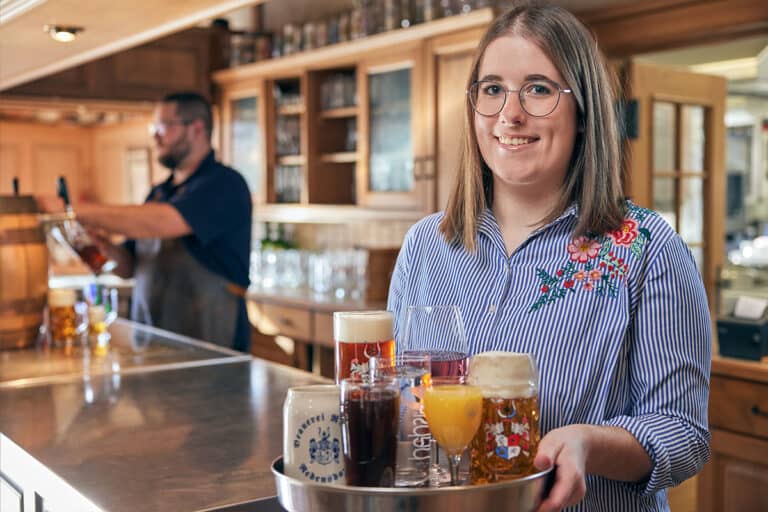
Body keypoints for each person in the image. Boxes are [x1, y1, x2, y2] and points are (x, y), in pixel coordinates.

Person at [387, 4, 711, 511]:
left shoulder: (647, 248)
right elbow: (407, 410)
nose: (509, 114)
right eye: (492, 89)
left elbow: (684, 434)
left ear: (583, 113)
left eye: (538, 89)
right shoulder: (425, 246)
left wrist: (589, 443)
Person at [42, 92, 253, 352]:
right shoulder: (159, 192)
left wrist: (72, 210)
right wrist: (101, 247)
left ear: (197, 128)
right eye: (154, 127)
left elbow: (165, 221)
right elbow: (129, 265)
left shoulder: (224, 184)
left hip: (210, 346)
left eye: (163, 126)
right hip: (152, 342)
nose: (155, 135)